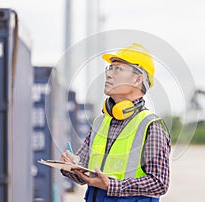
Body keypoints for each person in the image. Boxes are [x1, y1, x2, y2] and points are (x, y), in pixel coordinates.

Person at [61, 43, 171, 202]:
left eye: (118, 69)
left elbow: (159, 183)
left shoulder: (151, 126)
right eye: (109, 68)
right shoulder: (100, 123)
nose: (109, 74)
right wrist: (70, 166)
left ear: (138, 79)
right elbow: (82, 174)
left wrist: (112, 185)